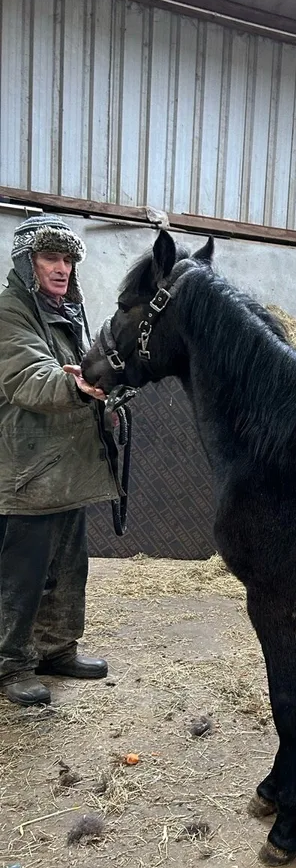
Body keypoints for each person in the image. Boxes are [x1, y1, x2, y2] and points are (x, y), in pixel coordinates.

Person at [0, 215, 118, 706]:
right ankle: (10, 664)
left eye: (68, 259)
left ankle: (56, 648)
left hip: (67, 466)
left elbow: (84, 372)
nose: (62, 268)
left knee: (70, 567)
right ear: (28, 262)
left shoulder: (66, 313)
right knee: (22, 573)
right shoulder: (10, 313)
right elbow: (29, 376)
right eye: (51, 257)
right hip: (27, 469)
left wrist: (108, 391)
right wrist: (77, 386)